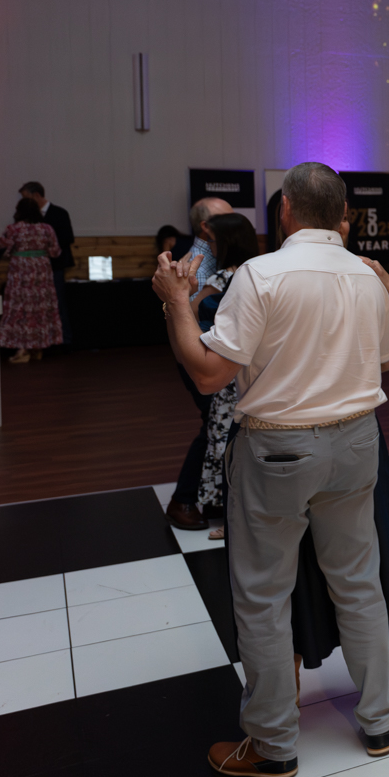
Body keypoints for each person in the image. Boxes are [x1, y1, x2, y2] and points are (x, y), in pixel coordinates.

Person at [152, 161, 389, 777]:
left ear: (285, 209)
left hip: (279, 449)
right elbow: (386, 361)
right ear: (342, 213)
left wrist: (176, 301)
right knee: (359, 583)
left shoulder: (261, 274)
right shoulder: (368, 275)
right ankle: (378, 719)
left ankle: (272, 744)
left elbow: (208, 375)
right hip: (358, 441)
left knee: (264, 596)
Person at [287, 244, 389, 703]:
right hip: (285, 434)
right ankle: (288, 665)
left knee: (381, 541)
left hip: (355, 430)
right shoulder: (270, 274)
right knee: (291, 558)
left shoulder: (360, 274)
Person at [166, 196, 238, 531]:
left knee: (215, 423)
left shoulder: (212, 255)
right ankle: (182, 500)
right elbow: (190, 318)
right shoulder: (199, 261)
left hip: (206, 353)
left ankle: (207, 497)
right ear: (207, 227)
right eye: (227, 218)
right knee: (212, 424)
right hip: (202, 355)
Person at [188, 213, 262, 537]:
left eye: (214, 241)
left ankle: (232, 519)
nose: (212, 247)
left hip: (227, 371)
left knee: (224, 444)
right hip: (254, 370)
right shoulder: (259, 272)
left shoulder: (222, 278)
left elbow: (192, 315)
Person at [0, 197, 62, 362]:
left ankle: (23, 350)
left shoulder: (13, 229)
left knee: (21, 309)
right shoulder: (47, 228)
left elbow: (3, 250)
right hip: (42, 272)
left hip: (21, 272)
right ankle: (38, 347)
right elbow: (55, 252)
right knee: (41, 308)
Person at [19, 182, 74, 345]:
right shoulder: (27, 217)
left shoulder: (59, 213)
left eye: (27, 198)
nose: (25, 202)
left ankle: (65, 341)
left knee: (58, 303)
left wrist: (44, 246)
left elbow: (68, 238)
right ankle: (43, 341)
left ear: (36, 195)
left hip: (55, 266)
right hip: (34, 269)